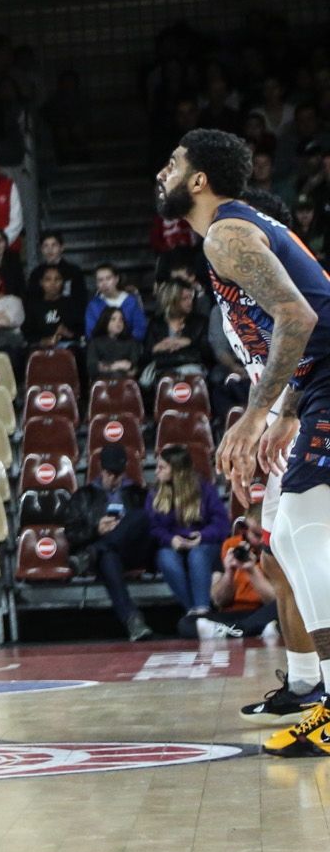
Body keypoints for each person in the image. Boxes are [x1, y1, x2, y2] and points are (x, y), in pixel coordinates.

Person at [158, 128, 330, 757]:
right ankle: (320, 692)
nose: (162, 173)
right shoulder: (230, 233)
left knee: (307, 536)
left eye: (172, 164)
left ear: (198, 180)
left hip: (326, 381)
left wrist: (257, 415)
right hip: (312, 388)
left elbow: (303, 316)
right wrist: (283, 408)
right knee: (286, 535)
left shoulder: (229, 234)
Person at [65, 442, 155, 641]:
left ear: (123, 470)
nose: (113, 478)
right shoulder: (83, 496)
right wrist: (96, 529)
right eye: (109, 473)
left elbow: (150, 528)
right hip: (106, 558)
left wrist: (123, 528)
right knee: (108, 558)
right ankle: (133, 620)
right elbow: (72, 533)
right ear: (102, 469)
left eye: (117, 473)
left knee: (141, 515)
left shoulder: (138, 494)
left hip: (132, 551)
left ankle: (92, 553)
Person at [147, 444, 227, 620]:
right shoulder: (155, 494)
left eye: (162, 467)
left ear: (176, 470)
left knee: (197, 555)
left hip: (203, 542)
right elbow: (153, 528)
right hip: (172, 544)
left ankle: (202, 610)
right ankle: (194, 613)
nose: (156, 472)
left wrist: (202, 536)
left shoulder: (205, 489)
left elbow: (221, 524)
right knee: (165, 558)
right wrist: (170, 539)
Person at [83, 264, 147, 338]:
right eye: (100, 280)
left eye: (108, 279)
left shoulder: (131, 302)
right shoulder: (93, 305)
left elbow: (140, 328)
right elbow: (90, 332)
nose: (104, 283)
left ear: (116, 279)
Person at [88, 306, 143, 378]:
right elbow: (92, 366)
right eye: (113, 319)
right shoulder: (95, 342)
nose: (118, 323)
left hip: (125, 380)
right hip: (103, 380)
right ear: (106, 322)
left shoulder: (131, 342)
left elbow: (134, 364)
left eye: (121, 319)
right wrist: (115, 366)